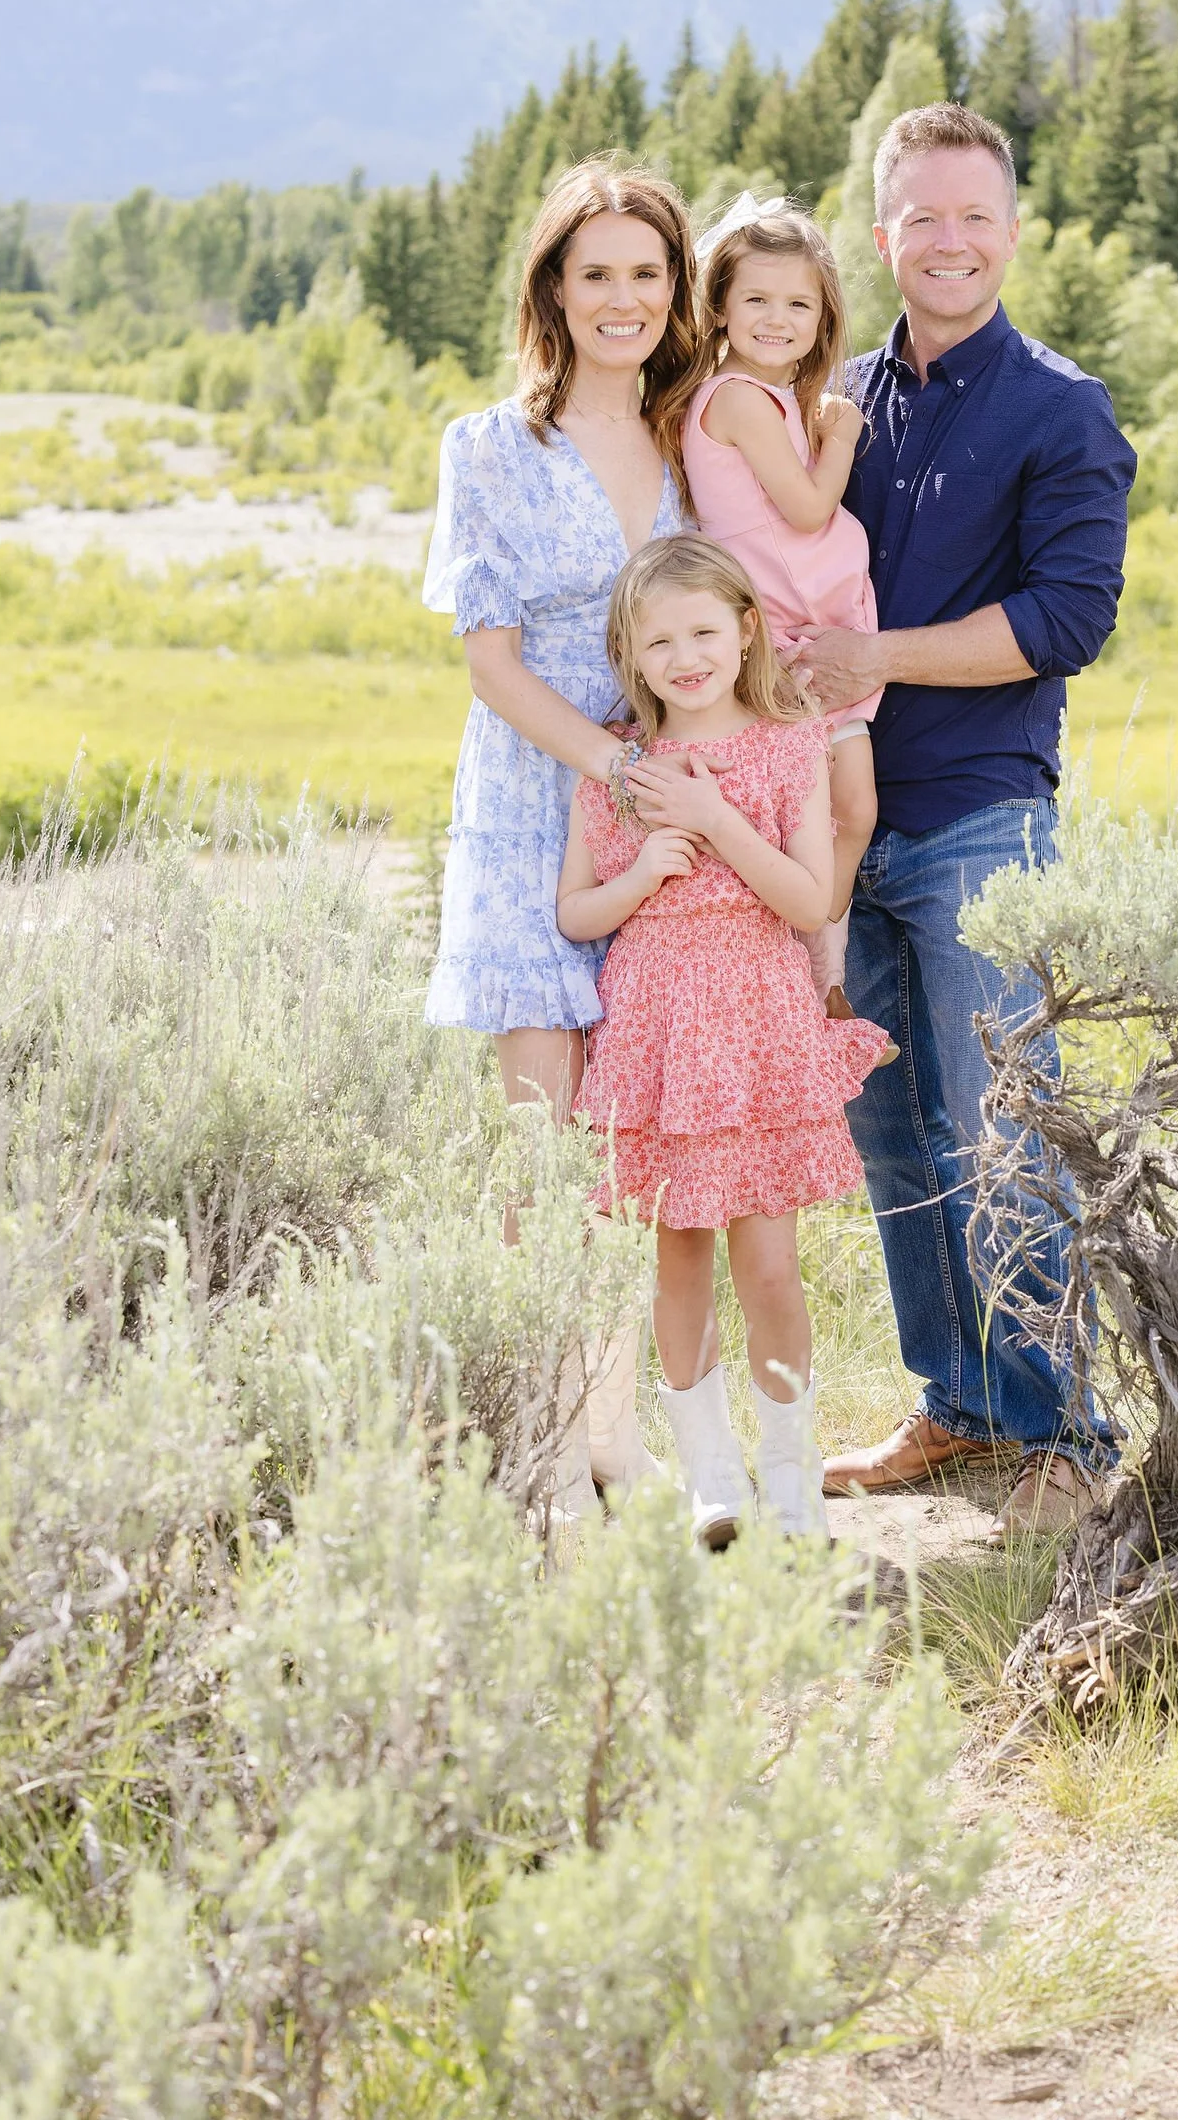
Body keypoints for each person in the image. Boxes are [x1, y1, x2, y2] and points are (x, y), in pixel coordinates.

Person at [794, 102, 1137, 1537]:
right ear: (883, 237)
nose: (949, 240)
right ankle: (957, 1405)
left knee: (1001, 1137)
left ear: (1012, 228)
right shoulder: (836, 407)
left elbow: (1071, 618)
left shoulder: (1062, 408)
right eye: (919, 216)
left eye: (973, 214)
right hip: (835, 833)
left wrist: (881, 659)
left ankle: (1066, 1436)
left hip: (980, 820)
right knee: (892, 1135)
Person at [421, 155, 699, 1516]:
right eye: (597, 273)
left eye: (647, 273)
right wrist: (611, 767)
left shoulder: (695, 440)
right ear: (553, 288)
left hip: (669, 831)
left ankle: (612, 1438)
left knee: (631, 1145)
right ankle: (534, 1444)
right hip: (542, 810)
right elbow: (492, 664)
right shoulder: (488, 447)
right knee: (542, 1158)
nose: (623, 298)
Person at [560, 534, 892, 1544]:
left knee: (770, 1267)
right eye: (657, 642)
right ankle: (712, 1477)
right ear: (629, 654)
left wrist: (713, 814)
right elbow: (577, 912)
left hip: (755, 1031)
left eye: (703, 630)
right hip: (659, 1041)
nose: (684, 657)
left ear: (745, 628)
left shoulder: (791, 743)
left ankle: (788, 1478)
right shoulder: (616, 766)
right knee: (677, 1261)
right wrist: (645, 871)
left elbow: (809, 896)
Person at [682, 195, 879, 1003]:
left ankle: (815, 975)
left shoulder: (771, 399)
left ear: (823, 313)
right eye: (756, 299)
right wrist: (841, 438)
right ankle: (807, 976)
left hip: (817, 633)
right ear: (720, 305)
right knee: (832, 817)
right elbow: (804, 509)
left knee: (854, 815)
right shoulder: (737, 398)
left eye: (798, 303)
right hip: (787, 645)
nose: (777, 318)